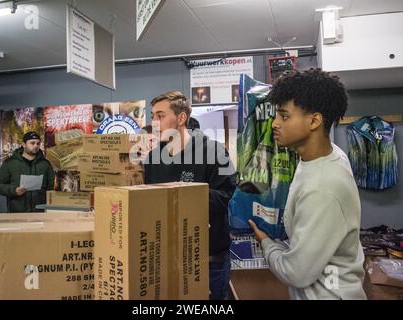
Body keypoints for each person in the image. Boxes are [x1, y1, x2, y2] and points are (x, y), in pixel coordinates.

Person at [248, 68, 366, 299]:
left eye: (284, 116)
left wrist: (266, 243)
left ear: (314, 120)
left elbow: (296, 273)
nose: (274, 124)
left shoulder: (323, 187)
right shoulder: (326, 156)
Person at [143, 91, 236, 300]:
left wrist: (184, 192)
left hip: (207, 261)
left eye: (160, 115)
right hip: (165, 259)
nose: (154, 122)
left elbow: (226, 198)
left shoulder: (213, 152)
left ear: (181, 118)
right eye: (152, 116)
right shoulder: (152, 159)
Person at [0, 131, 55, 213]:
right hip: (17, 211)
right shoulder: (10, 163)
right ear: (23, 144)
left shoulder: (45, 164)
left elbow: (51, 187)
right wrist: (14, 190)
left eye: (38, 143)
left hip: (40, 211)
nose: (36, 146)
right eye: (32, 143)